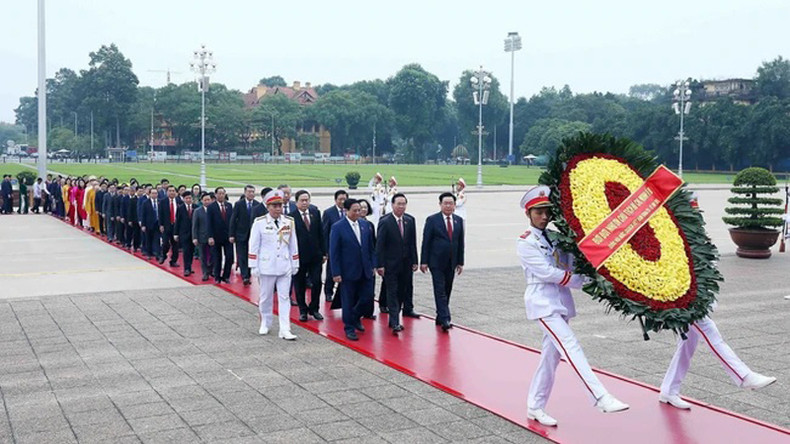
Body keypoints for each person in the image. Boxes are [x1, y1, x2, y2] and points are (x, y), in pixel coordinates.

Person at [517, 185, 628, 426]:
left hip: (561, 301)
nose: (544, 216)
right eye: (538, 212)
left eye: (547, 211)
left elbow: (571, 264)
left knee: (550, 358)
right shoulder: (525, 242)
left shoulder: (557, 237)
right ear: (528, 213)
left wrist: (595, 274)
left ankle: (535, 406)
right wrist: (581, 282)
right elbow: (547, 272)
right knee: (570, 345)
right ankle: (600, 396)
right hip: (542, 302)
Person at [658, 317, 776, 409]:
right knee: (708, 329)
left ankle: (669, 389)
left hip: (686, 293)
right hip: (681, 297)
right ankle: (745, 377)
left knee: (688, 342)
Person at [248, 189, 299, 340]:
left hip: (284, 266)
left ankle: (285, 328)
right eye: (274, 206)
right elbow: (254, 245)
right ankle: (265, 322)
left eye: (280, 205)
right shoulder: (260, 223)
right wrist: (253, 265)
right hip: (266, 266)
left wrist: (295, 262)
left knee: (285, 298)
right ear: (268, 207)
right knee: (265, 298)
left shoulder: (288, 222)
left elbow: (293, 244)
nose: (278, 208)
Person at [329, 198, 376, 341]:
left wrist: (373, 264)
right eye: (355, 210)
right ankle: (349, 327)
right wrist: (335, 272)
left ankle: (355, 316)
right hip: (348, 270)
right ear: (346, 211)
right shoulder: (338, 227)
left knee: (367, 297)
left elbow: (371, 248)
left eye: (359, 210)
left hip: (365, 269)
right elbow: (334, 251)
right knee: (348, 300)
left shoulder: (365, 225)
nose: (358, 213)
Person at [420, 192, 464, 331]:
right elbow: (426, 242)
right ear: (440, 204)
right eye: (445, 203)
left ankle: (440, 316)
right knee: (440, 290)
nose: (448, 206)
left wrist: (460, 262)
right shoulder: (432, 220)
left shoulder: (458, 220)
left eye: (451, 203)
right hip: (436, 262)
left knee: (447, 289)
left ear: (455, 205)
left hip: (452, 262)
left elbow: (460, 242)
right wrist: (424, 261)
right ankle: (445, 318)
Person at [376, 193, 419, 335]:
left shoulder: (410, 220)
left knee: (402, 291)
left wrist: (415, 261)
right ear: (392, 205)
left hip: (406, 264)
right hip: (390, 265)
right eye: (398, 204)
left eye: (403, 204)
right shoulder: (385, 221)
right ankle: (394, 321)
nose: (401, 206)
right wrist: (380, 264)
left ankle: (395, 317)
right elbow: (380, 245)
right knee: (392, 292)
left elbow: (412, 243)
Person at [290, 190, 325, 322]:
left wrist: (324, 252)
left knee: (316, 282)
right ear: (297, 202)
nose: (305, 203)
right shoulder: (290, 217)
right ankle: (303, 310)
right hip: (299, 257)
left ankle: (314, 308)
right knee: (299, 284)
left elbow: (321, 233)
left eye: (307, 200)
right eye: (302, 200)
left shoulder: (315, 213)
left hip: (315, 256)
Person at [229, 185, 261, 285]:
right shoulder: (239, 204)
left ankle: (249, 273)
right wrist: (232, 234)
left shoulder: (257, 204)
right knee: (242, 256)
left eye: (253, 192)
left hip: (253, 235)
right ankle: (245, 276)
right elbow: (233, 220)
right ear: (245, 192)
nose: (251, 194)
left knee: (251, 255)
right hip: (241, 235)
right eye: (249, 192)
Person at [322, 190, 348, 303]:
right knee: (331, 271)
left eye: (344, 199)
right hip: (333, 248)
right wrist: (326, 250)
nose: (342, 202)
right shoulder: (329, 212)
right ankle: (328, 292)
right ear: (335, 200)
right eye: (340, 199)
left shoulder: (349, 211)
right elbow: (325, 232)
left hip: (346, 248)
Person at [207, 187, 234, 283]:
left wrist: (232, 234)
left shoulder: (229, 206)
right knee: (217, 258)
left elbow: (232, 221)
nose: (221, 195)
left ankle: (226, 276)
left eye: (223, 193)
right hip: (216, 236)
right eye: (219, 193)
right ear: (215, 195)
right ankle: (217, 277)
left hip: (228, 236)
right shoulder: (211, 207)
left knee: (230, 257)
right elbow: (209, 223)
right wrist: (210, 236)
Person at [175, 191, 198, 277]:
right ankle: (186, 268)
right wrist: (176, 233)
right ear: (184, 199)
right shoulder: (180, 208)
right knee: (186, 251)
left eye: (190, 198)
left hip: (193, 234)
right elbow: (178, 221)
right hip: (184, 233)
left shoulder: (196, 207)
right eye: (186, 198)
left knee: (191, 251)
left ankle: (190, 266)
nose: (188, 200)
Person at [192, 192, 214, 281]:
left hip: (213, 237)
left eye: (208, 200)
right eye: (205, 200)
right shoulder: (197, 211)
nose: (207, 201)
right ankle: (205, 272)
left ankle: (211, 270)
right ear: (202, 201)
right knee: (203, 256)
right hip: (202, 237)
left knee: (214, 255)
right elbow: (195, 225)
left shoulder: (214, 210)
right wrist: (195, 237)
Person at [158, 185, 180, 266]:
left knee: (175, 245)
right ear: (167, 192)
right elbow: (160, 214)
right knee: (165, 243)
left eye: (173, 191)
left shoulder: (179, 201)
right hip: (166, 226)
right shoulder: (163, 202)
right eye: (170, 191)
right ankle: (163, 255)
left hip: (176, 226)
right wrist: (161, 225)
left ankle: (173, 261)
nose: (172, 192)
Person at [140, 187, 162, 261]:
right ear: (149, 194)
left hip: (158, 223)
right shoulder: (145, 203)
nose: (154, 195)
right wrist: (143, 225)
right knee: (149, 239)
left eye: (156, 193)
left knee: (157, 239)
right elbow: (143, 214)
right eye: (152, 193)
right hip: (149, 224)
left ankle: (157, 254)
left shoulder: (160, 202)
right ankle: (149, 253)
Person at [127, 186, 143, 253]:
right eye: (139, 191)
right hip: (135, 219)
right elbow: (130, 210)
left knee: (141, 233)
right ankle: (136, 246)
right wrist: (130, 220)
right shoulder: (133, 200)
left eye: (142, 191)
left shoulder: (144, 199)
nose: (141, 193)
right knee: (136, 233)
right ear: (136, 192)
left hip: (142, 219)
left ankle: (141, 245)